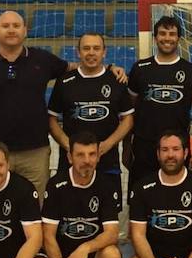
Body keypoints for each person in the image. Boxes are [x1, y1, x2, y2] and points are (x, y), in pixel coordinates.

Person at [0, 11, 126, 197]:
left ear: (25, 31)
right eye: (5, 26)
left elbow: (76, 67)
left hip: (34, 153)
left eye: (16, 26)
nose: (11, 30)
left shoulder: (42, 59)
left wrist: (109, 68)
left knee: (35, 210)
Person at [38, 132, 123, 258]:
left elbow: (111, 234)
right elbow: (47, 237)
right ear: (70, 157)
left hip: (89, 257)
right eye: (81, 155)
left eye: (92, 154)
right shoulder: (56, 185)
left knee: (112, 255)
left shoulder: (106, 185)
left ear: (98, 156)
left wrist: (84, 248)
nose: (87, 160)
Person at [48, 32, 134, 211]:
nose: (91, 53)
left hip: (107, 161)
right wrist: (69, 146)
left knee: (107, 217)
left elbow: (128, 119)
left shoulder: (117, 80)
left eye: (96, 48)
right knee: (70, 214)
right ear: (78, 52)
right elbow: (52, 119)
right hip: (72, 162)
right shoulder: (64, 82)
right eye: (86, 48)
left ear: (104, 52)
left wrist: (108, 144)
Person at [126, 16, 192, 193]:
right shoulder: (140, 69)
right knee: (140, 201)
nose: (167, 38)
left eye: (172, 34)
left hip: (176, 149)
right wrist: (126, 147)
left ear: (178, 38)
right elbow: (129, 112)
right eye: (162, 33)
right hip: (144, 146)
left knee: (175, 199)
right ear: (155, 37)